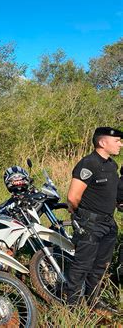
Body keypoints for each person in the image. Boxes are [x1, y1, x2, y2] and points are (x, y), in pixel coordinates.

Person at [66, 127, 122, 309]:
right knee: (81, 266)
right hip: (90, 223)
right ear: (102, 142)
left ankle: (94, 302)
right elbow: (73, 197)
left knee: (100, 267)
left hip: (108, 223)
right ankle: (72, 306)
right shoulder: (88, 164)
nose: (120, 144)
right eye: (117, 141)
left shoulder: (112, 165)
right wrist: (81, 216)